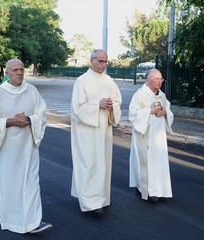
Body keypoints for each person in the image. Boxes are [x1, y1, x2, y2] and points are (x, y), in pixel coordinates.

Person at [0, 59, 52, 234]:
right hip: (8, 149)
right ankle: (11, 221)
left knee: (31, 183)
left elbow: (41, 114)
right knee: (10, 184)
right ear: (7, 73)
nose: (19, 73)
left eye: (22, 69)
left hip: (28, 147)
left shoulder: (32, 91)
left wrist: (30, 120)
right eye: (15, 70)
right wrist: (12, 121)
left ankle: (32, 222)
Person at [70, 49, 122, 216]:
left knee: (102, 164)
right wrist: (97, 105)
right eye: (100, 61)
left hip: (103, 130)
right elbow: (76, 108)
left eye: (105, 61)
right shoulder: (82, 81)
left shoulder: (109, 81)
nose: (103, 64)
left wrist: (112, 105)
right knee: (88, 164)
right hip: (86, 131)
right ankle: (90, 202)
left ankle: (101, 198)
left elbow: (118, 100)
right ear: (91, 60)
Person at [128, 68, 173, 203]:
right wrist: (150, 111)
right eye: (156, 78)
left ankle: (158, 189)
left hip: (158, 137)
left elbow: (169, 112)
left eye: (161, 79)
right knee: (146, 162)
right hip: (145, 134)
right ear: (148, 79)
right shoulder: (139, 95)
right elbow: (133, 114)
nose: (159, 81)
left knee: (158, 163)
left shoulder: (162, 96)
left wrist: (165, 112)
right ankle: (148, 190)